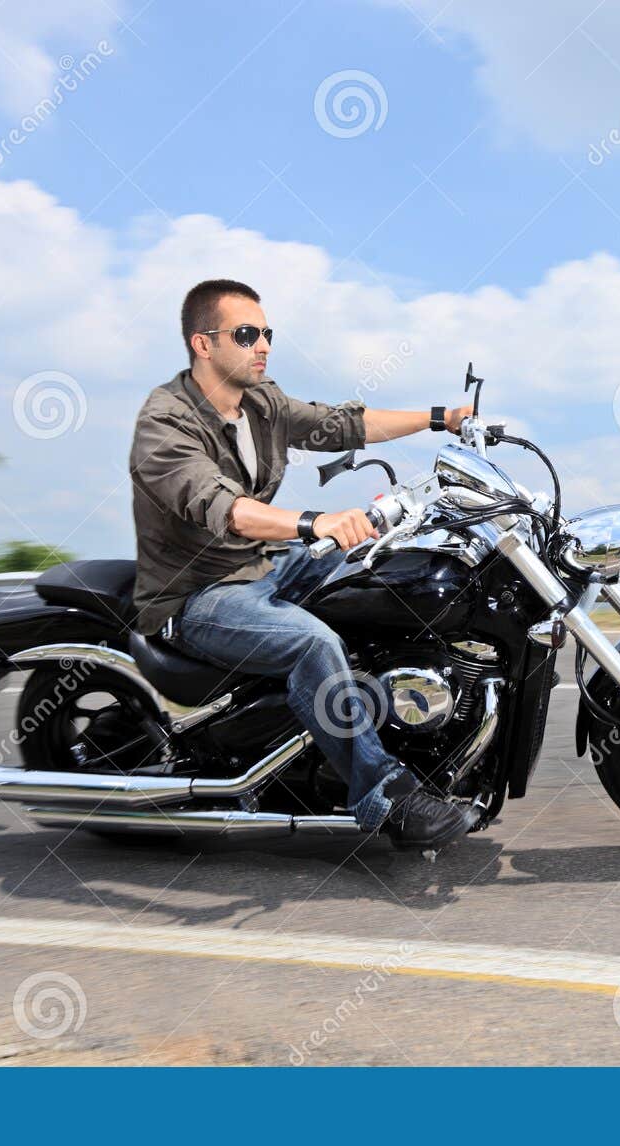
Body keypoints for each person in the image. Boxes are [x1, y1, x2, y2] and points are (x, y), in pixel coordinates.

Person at [129, 279, 475, 849]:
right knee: (312, 642)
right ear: (203, 344)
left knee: (378, 562)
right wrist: (316, 521)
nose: (262, 344)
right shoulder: (164, 421)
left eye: (267, 333)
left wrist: (441, 418)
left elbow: (340, 425)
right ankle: (381, 793)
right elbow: (222, 508)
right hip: (201, 593)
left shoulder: (259, 403)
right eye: (246, 334)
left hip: (266, 565)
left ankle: (386, 712)